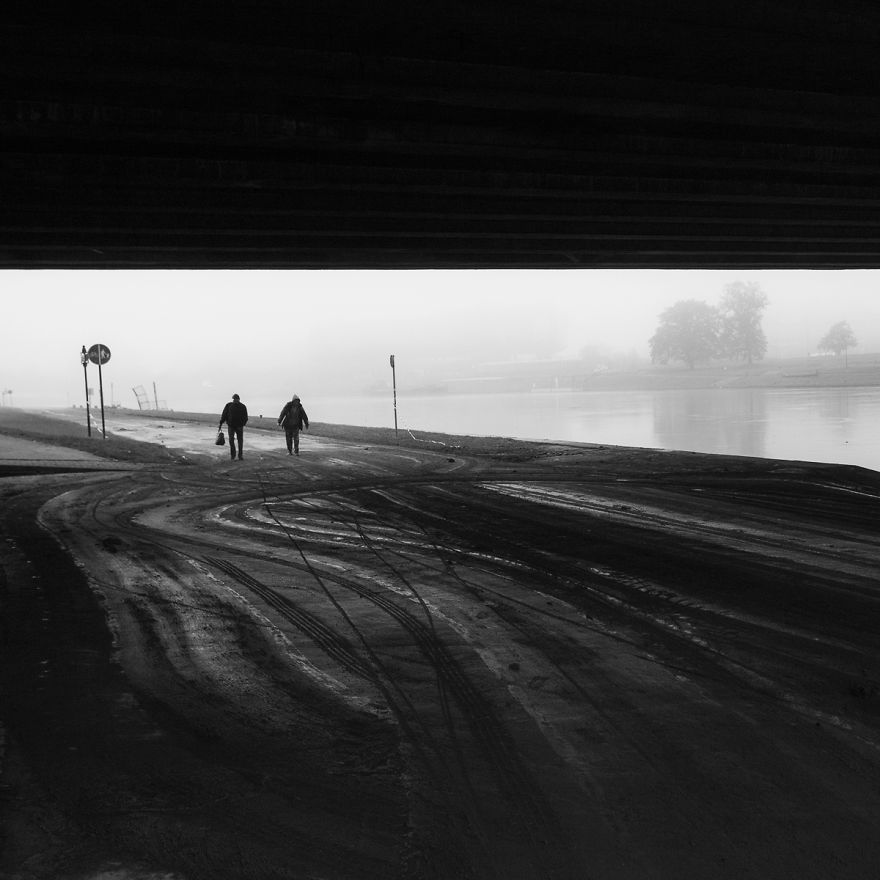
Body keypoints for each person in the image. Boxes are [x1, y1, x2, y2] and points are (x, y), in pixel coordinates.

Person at [219, 393, 248, 460]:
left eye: (236, 399)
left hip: (239, 427)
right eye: (234, 399)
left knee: (240, 441)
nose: (234, 400)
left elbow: (245, 417)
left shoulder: (243, 406)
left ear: (239, 399)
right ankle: (233, 455)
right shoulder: (229, 405)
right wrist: (221, 423)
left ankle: (240, 456)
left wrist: (242, 424)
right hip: (231, 426)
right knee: (231, 440)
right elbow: (224, 414)